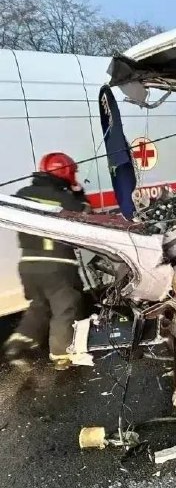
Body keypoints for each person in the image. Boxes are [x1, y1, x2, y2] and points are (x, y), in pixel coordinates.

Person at [3, 152, 90, 371]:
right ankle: (62, 355)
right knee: (65, 307)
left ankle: (18, 343)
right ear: (67, 173)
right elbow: (87, 216)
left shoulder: (22, 194)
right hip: (58, 265)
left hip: (28, 265)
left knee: (39, 306)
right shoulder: (67, 199)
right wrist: (79, 194)